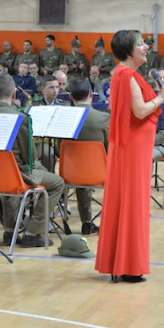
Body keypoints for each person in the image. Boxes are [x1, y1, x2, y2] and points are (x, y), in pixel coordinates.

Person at [94, 30, 164, 283]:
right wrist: (161, 97)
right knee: (133, 202)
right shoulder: (126, 75)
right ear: (129, 50)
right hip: (133, 146)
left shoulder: (121, 73)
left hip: (131, 146)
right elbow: (139, 111)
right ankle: (128, 265)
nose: (146, 47)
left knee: (128, 201)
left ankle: (123, 261)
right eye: (141, 44)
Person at [0, 73, 64, 248]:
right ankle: (33, 232)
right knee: (57, 183)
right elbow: (29, 158)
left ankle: (9, 231)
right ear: (14, 94)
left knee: (9, 174)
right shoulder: (20, 118)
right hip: (15, 175)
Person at [69, 79, 109, 235]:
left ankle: (86, 221)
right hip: (97, 171)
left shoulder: (65, 117)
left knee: (81, 171)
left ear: (71, 97)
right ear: (91, 94)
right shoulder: (103, 118)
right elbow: (109, 148)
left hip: (70, 172)